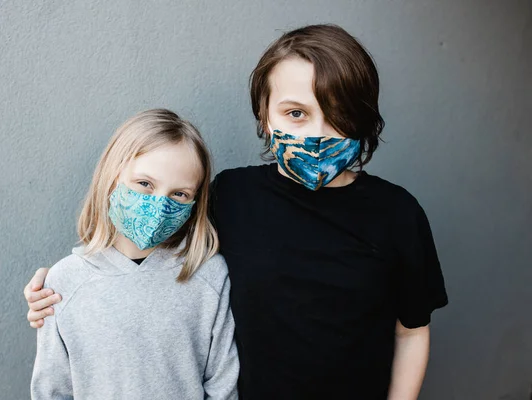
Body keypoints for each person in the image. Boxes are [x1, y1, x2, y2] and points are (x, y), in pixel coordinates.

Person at [25, 25, 448, 399]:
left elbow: (410, 332)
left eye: (337, 114)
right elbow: (147, 250)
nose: (317, 133)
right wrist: (56, 297)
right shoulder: (231, 195)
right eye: (296, 113)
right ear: (265, 116)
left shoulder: (397, 214)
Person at [30, 109, 239, 399]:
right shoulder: (65, 281)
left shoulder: (209, 276)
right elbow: (52, 390)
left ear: (194, 201)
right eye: (144, 184)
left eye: (179, 194)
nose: (159, 204)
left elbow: (223, 385)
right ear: (111, 176)